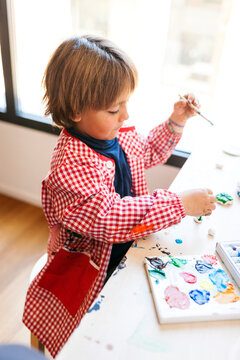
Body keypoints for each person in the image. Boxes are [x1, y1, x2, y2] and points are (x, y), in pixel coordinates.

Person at [22, 35, 216, 358]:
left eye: (126, 103)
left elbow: (148, 151)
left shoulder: (114, 132)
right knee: (95, 343)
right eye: (115, 108)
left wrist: (175, 121)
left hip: (126, 250)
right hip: (85, 275)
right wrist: (179, 203)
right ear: (74, 111)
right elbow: (111, 216)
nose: (126, 115)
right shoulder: (69, 167)